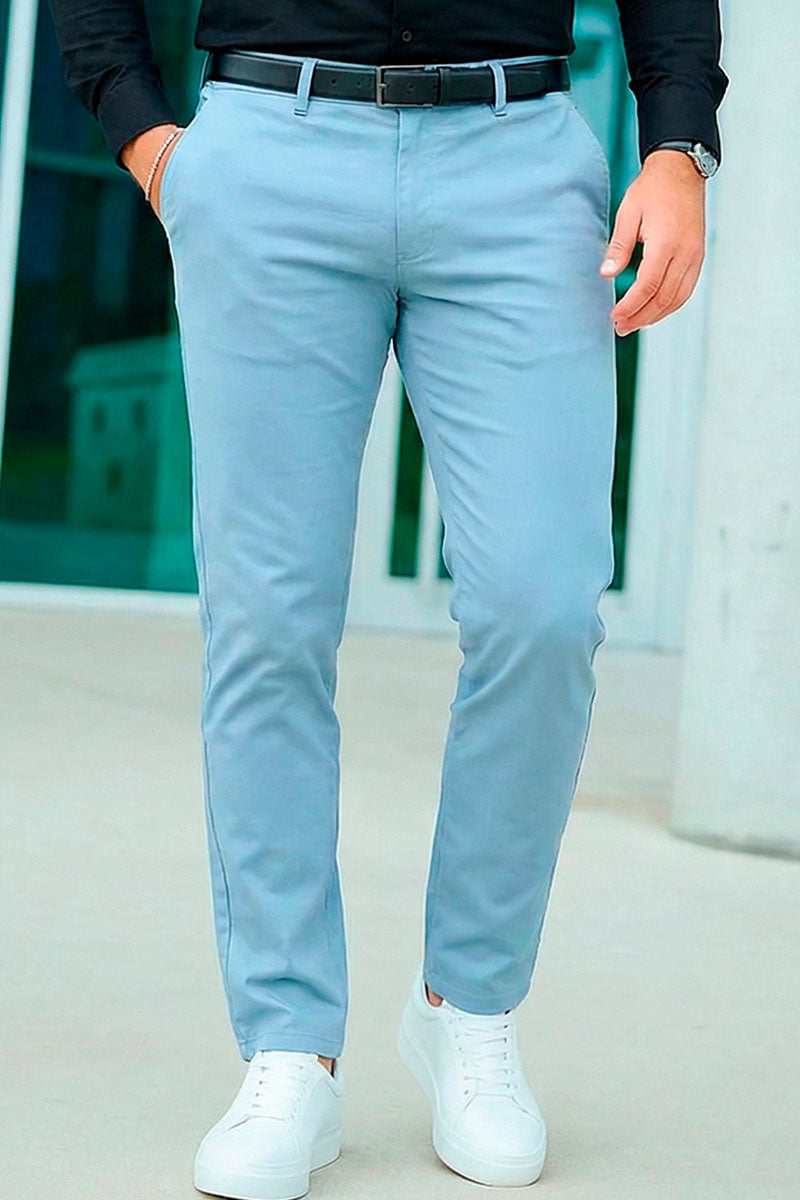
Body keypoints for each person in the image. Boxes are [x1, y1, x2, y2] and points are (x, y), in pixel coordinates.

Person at [47, 1, 728, 1197]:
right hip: (270, 146)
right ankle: (288, 1047)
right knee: (266, 623)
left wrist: (677, 143)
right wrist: (148, 137)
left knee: (541, 607)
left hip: (515, 160)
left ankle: (468, 1007)